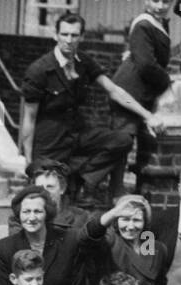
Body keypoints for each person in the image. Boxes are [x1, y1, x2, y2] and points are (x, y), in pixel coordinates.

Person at [19, 12, 159, 204]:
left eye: (74, 35)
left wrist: (147, 115)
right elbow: (29, 118)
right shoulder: (39, 70)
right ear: (56, 35)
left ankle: (86, 179)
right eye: (65, 34)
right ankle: (74, 183)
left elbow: (114, 91)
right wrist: (28, 160)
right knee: (53, 200)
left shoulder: (83, 62)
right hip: (50, 143)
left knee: (122, 140)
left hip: (77, 134)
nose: (69, 40)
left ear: (82, 37)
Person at [109, 0, 173, 187]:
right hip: (128, 89)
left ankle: (139, 188)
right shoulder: (144, 24)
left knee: (141, 142)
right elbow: (146, 64)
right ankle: (116, 190)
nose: (161, 5)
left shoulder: (161, 23)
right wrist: (167, 81)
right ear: (146, 0)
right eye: (156, 0)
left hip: (144, 91)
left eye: (166, 0)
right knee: (122, 143)